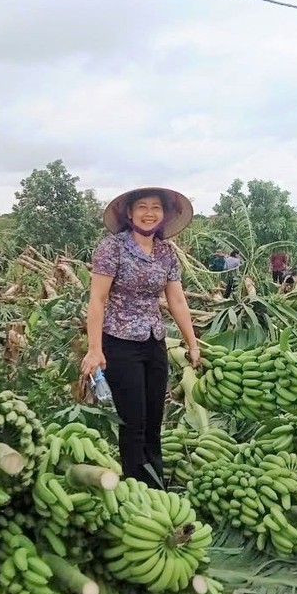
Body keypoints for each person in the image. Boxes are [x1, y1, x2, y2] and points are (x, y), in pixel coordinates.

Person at [81, 186, 200, 489]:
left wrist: (192, 342)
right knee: (133, 421)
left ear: (164, 214)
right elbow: (97, 300)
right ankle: (137, 487)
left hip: (153, 340)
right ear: (130, 213)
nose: (149, 214)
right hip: (119, 343)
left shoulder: (166, 252)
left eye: (156, 208)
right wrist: (95, 349)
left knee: (153, 418)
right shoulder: (112, 248)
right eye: (143, 207)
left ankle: (155, 481)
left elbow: (176, 300)